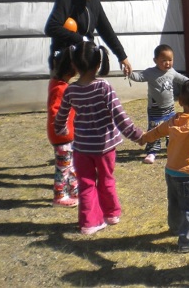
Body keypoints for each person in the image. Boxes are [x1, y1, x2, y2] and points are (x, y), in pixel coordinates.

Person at [54, 41, 143, 235]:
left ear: (74, 66)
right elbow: (119, 116)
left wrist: (59, 129)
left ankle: (88, 223)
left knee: (86, 184)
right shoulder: (104, 87)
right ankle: (111, 214)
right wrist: (138, 135)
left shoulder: (71, 90)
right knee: (106, 180)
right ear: (98, 64)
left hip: (81, 148)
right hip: (104, 147)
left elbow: (61, 115)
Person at [138, 80, 189, 253]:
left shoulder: (173, 120)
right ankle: (188, 240)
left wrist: (144, 137)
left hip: (171, 171)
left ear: (180, 101)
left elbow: (157, 132)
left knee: (175, 203)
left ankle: (175, 228)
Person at [44, 0, 132, 73]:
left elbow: (106, 30)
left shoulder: (94, 2)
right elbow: (51, 27)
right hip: (66, 65)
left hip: (86, 63)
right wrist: (79, 39)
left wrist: (122, 56)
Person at [126, 44, 189, 164]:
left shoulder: (172, 72)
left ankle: (172, 149)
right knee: (154, 130)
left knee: (172, 129)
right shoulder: (151, 73)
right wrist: (129, 72)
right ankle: (152, 152)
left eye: (170, 60)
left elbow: (182, 79)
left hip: (170, 108)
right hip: (155, 109)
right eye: (164, 60)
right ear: (155, 60)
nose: (167, 63)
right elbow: (138, 77)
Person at [46, 48, 79, 207]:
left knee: (70, 165)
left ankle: (74, 190)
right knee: (63, 167)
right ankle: (59, 195)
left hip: (66, 135)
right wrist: (61, 128)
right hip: (62, 136)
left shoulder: (57, 84)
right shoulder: (60, 88)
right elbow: (55, 111)